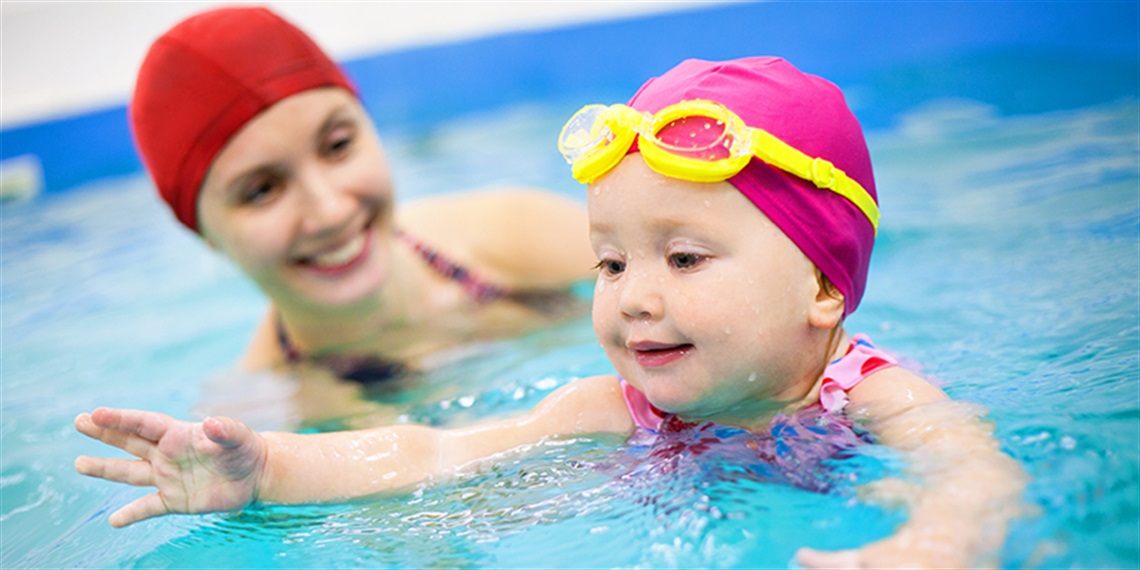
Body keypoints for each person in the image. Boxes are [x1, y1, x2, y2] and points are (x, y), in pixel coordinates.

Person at [76, 57, 1028, 567]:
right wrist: (269, 470)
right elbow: (434, 454)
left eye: (685, 257)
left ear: (824, 285)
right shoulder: (615, 409)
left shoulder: (871, 397)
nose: (632, 296)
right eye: (609, 262)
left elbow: (972, 466)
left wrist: (938, 540)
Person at [129, 6, 597, 390]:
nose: (330, 211)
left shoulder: (518, 232)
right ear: (204, 234)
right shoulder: (262, 420)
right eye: (262, 190)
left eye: (337, 146)